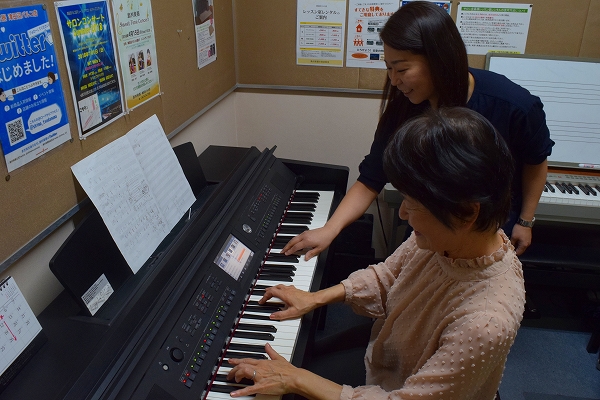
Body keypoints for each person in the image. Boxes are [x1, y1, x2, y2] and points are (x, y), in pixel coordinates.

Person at [227, 107, 526, 399]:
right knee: (301, 355)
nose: (404, 213)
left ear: (466, 213)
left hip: (399, 388)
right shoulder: (453, 240)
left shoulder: (484, 324)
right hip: (387, 360)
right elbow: (388, 276)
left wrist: (296, 379)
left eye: (414, 203)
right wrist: (315, 298)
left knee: (286, 375)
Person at [282, 1, 553, 259]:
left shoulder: (514, 105)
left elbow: (536, 161)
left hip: (486, 235)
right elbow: (371, 178)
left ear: (438, 59)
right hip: (428, 231)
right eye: (389, 68)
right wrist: (330, 230)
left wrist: (525, 220)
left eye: (401, 69)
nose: (394, 80)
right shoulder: (405, 107)